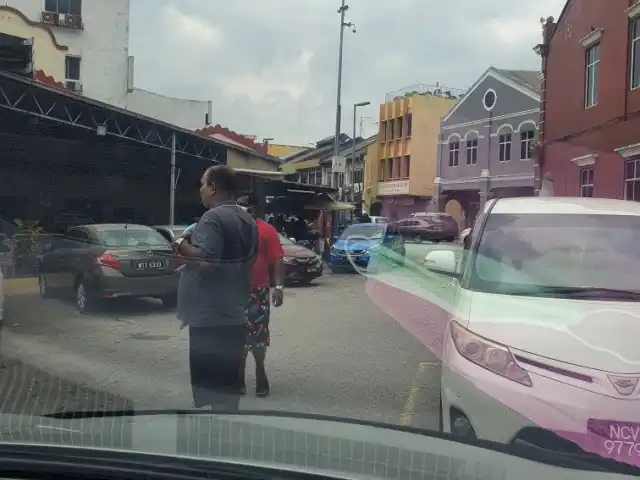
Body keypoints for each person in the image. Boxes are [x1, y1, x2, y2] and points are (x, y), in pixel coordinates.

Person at [173, 165, 258, 411]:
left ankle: (213, 444)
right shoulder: (247, 218)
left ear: (213, 187)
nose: (200, 190)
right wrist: (188, 268)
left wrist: (181, 244)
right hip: (232, 315)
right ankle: (227, 438)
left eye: (202, 184)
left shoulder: (213, 217)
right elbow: (235, 261)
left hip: (210, 320)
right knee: (228, 391)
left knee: (211, 394)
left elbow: (206, 261)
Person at [238, 200, 284, 397]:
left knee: (258, 336)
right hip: (233, 291)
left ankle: (260, 371)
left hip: (258, 292)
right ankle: (238, 377)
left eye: (244, 207)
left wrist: (279, 287)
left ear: (253, 209)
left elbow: (277, 259)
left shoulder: (266, 230)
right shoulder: (232, 229)